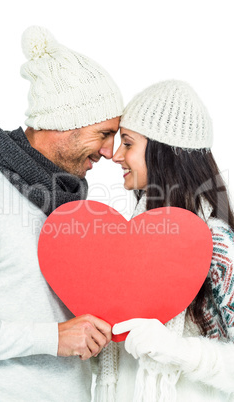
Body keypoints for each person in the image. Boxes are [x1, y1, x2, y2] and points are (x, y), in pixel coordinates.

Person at [0, 26, 123, 401]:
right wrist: (52, 337)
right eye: (103, 133)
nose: (109, 151)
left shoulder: (69, 203)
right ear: (64, 122)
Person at [94, 80, 234, 401]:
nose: (116, 155)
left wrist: (176, 350)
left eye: (127, 143)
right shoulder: (132, 237)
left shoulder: (218, 244)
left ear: (163, 152)